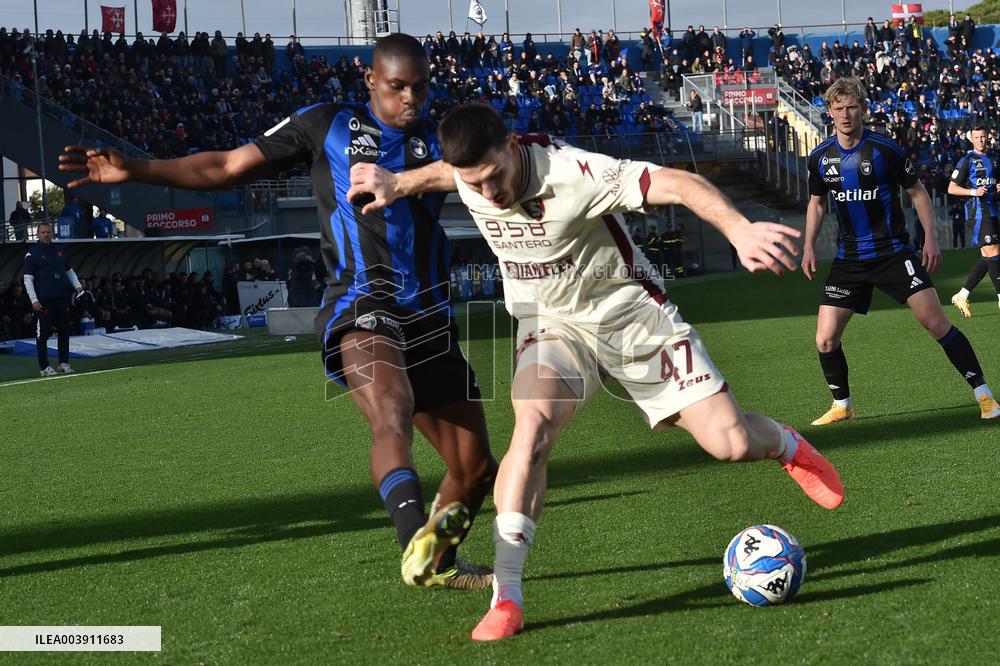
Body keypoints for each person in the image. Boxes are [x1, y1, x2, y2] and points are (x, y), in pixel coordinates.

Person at [349, 102, 845, 641]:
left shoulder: (571, 172)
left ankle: (784, 444)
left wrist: (737, 228)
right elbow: (448, 172)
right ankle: (507, 597)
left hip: (631, 316)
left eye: (495, 177)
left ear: (512, 145)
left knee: (728, 442)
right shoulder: (471, 176)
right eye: (476, 184)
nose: (489, 194)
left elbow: (674, 182)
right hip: (552, 326)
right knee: (531, 428)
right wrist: (398, 182)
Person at [58, 33, 498, 590]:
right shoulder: (326, 124)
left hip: (430, 315)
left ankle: (436, 563)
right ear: (370, 81)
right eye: (397, 87)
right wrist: (139, 170)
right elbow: (225, 166)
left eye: (420, 87)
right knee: (391, 409)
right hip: (361, 304)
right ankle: (413, 534)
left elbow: (500, 170)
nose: (410, 98)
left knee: (476, 467)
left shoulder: (442, 140)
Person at [801, 78, 1000, 425]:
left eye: (851, 107)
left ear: (862, 108)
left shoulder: (884, 150)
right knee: (825, 339)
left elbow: (919, 193)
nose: (846, 114)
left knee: (935, 322)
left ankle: (985, 397)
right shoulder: (820, 158)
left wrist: (930, 239)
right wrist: (807, 246)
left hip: (894, 253)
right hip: (849, 259)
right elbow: (816, 204)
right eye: (838, 108)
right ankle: (842, 405)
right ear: (829, 113)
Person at [947, 126, 1000, 318]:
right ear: (972, 139)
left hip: (993, 210)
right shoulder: (967, 160)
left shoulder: (994, 157)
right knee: (994, 251)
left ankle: (962, 295)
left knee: (988, 257)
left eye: (983, 137)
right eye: (977, 137)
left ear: (988, 137)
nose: (980, 140)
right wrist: (972, 192)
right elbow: (951, 188)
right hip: (977, 213)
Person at [23, 221, 83, 376]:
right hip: (44, 302)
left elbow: (69, 271)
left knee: (64, 332)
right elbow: (28, 279)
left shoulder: (60, 251)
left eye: (48, 232)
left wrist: (77, 286)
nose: (46, 234)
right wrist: (34, 300)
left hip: (61, 300)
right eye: (43, 232)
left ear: (52, 233)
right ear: (37, 234)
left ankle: (64, 363)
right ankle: (44, 367)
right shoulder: (32, 254)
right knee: (42, 335)